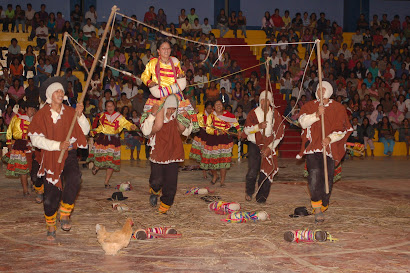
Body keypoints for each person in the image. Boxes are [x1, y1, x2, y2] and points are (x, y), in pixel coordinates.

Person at [28, 77, 90, 241]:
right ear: (49, 95)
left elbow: (85, 130)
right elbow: (35, 139)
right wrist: (57, 145)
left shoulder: (70, 111)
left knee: (74, 178)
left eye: (62, 91)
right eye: (57, 91)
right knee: (51, 196)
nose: (60, 93)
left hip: (68, 154)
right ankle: (50, 223)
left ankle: (65, 213)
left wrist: (80, 115)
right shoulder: (41, 114)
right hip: (50, 156)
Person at [297, 81, 352, 223]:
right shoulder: (309, 106)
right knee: (314, 174)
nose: (320, 92)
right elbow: (302, 122)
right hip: (313, 148)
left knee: (327, 179)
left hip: (329, 149)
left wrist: (329, 138)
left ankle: (323, 203)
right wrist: (316, 114)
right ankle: (317, 208)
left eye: (323, 89)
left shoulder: (338, 108)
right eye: (318, 89)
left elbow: (342, 129)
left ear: (329, 91)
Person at [140, 95, 193, 214]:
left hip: (173, 152)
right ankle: (154, 190)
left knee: (171, 181)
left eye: (174, 109)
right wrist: (152, 115)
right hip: (158, 151)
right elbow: (145, 131)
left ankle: (165, 204)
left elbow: (186, 132)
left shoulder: (177, 117)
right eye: (169, 108)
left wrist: (187, 119)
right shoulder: (155, 116)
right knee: (156, 180)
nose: (171, 111)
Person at [141, 39, 199, 134]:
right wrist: (149, 82)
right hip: (159, 94)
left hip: (175, 94)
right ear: (158, 51)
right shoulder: (153, 63)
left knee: (182, 127)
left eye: (168, 48)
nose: (166, 50)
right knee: (158, 125)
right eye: (163, 48)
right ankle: (150, 135)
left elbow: (180, 73)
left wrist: (181, 75)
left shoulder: (175, 61)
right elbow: (144, 76)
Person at [243, 91, 285, 202]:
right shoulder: (253, 113)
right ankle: (249, 191)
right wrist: (258, 127)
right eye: (262, 100)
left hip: (269, 145)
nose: (264, 102)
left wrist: (270, 148)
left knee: (266, 171)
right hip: (254, 143)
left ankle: (261, 197)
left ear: (270, 102)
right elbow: (246, 130)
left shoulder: (275, 114)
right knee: (253, 169)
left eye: (266, 100)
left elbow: (280, 133)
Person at [87, 100, 136, 188]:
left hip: (114, 141)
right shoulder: (103, 116)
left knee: (111, 162)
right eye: (108, 106)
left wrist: (131, 126)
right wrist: (93, 132)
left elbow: (126, 123)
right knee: (101, 157)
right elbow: (100, 127)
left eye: (111, 106)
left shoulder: (119, 117)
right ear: (106, 107)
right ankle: (97, 167)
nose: (110, 108)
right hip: (103, 139)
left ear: (114, 107)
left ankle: (106, 182)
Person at [199, 100, 240, 187]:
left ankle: (222, 181)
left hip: (224, 140)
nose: (218, 106)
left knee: (223, 161)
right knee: (211, 161)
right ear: (214, 107)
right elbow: (208, 129)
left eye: (220, 104)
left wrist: (239, 131)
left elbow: (235, 122)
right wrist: (217, 132)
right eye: (216, 104)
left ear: (222, 106)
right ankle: (215, 175)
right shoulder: (211, 116)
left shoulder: (228, 115)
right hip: (213, 140)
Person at [5, 101, 38, 196]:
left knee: (34, 166)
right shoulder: (17, 118)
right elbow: (9, 130)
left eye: (34, 109)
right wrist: (9, 143)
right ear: (26, 109)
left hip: (34, 145)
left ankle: (33, 183)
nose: (32, 111)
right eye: (31, 109)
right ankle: (25, 189)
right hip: (20, 145)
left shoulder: (37, 120)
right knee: (22, 168)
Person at [190, 101, 214, 179]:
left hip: (210, 137)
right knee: (203, 156)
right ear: (205, 108)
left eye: (211, 108)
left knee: (210, 156)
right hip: (202, 138)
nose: (209, 110)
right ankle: (204, 172)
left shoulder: (214, 116)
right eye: (208, 108)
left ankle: (210, 170)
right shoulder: (201, 115)